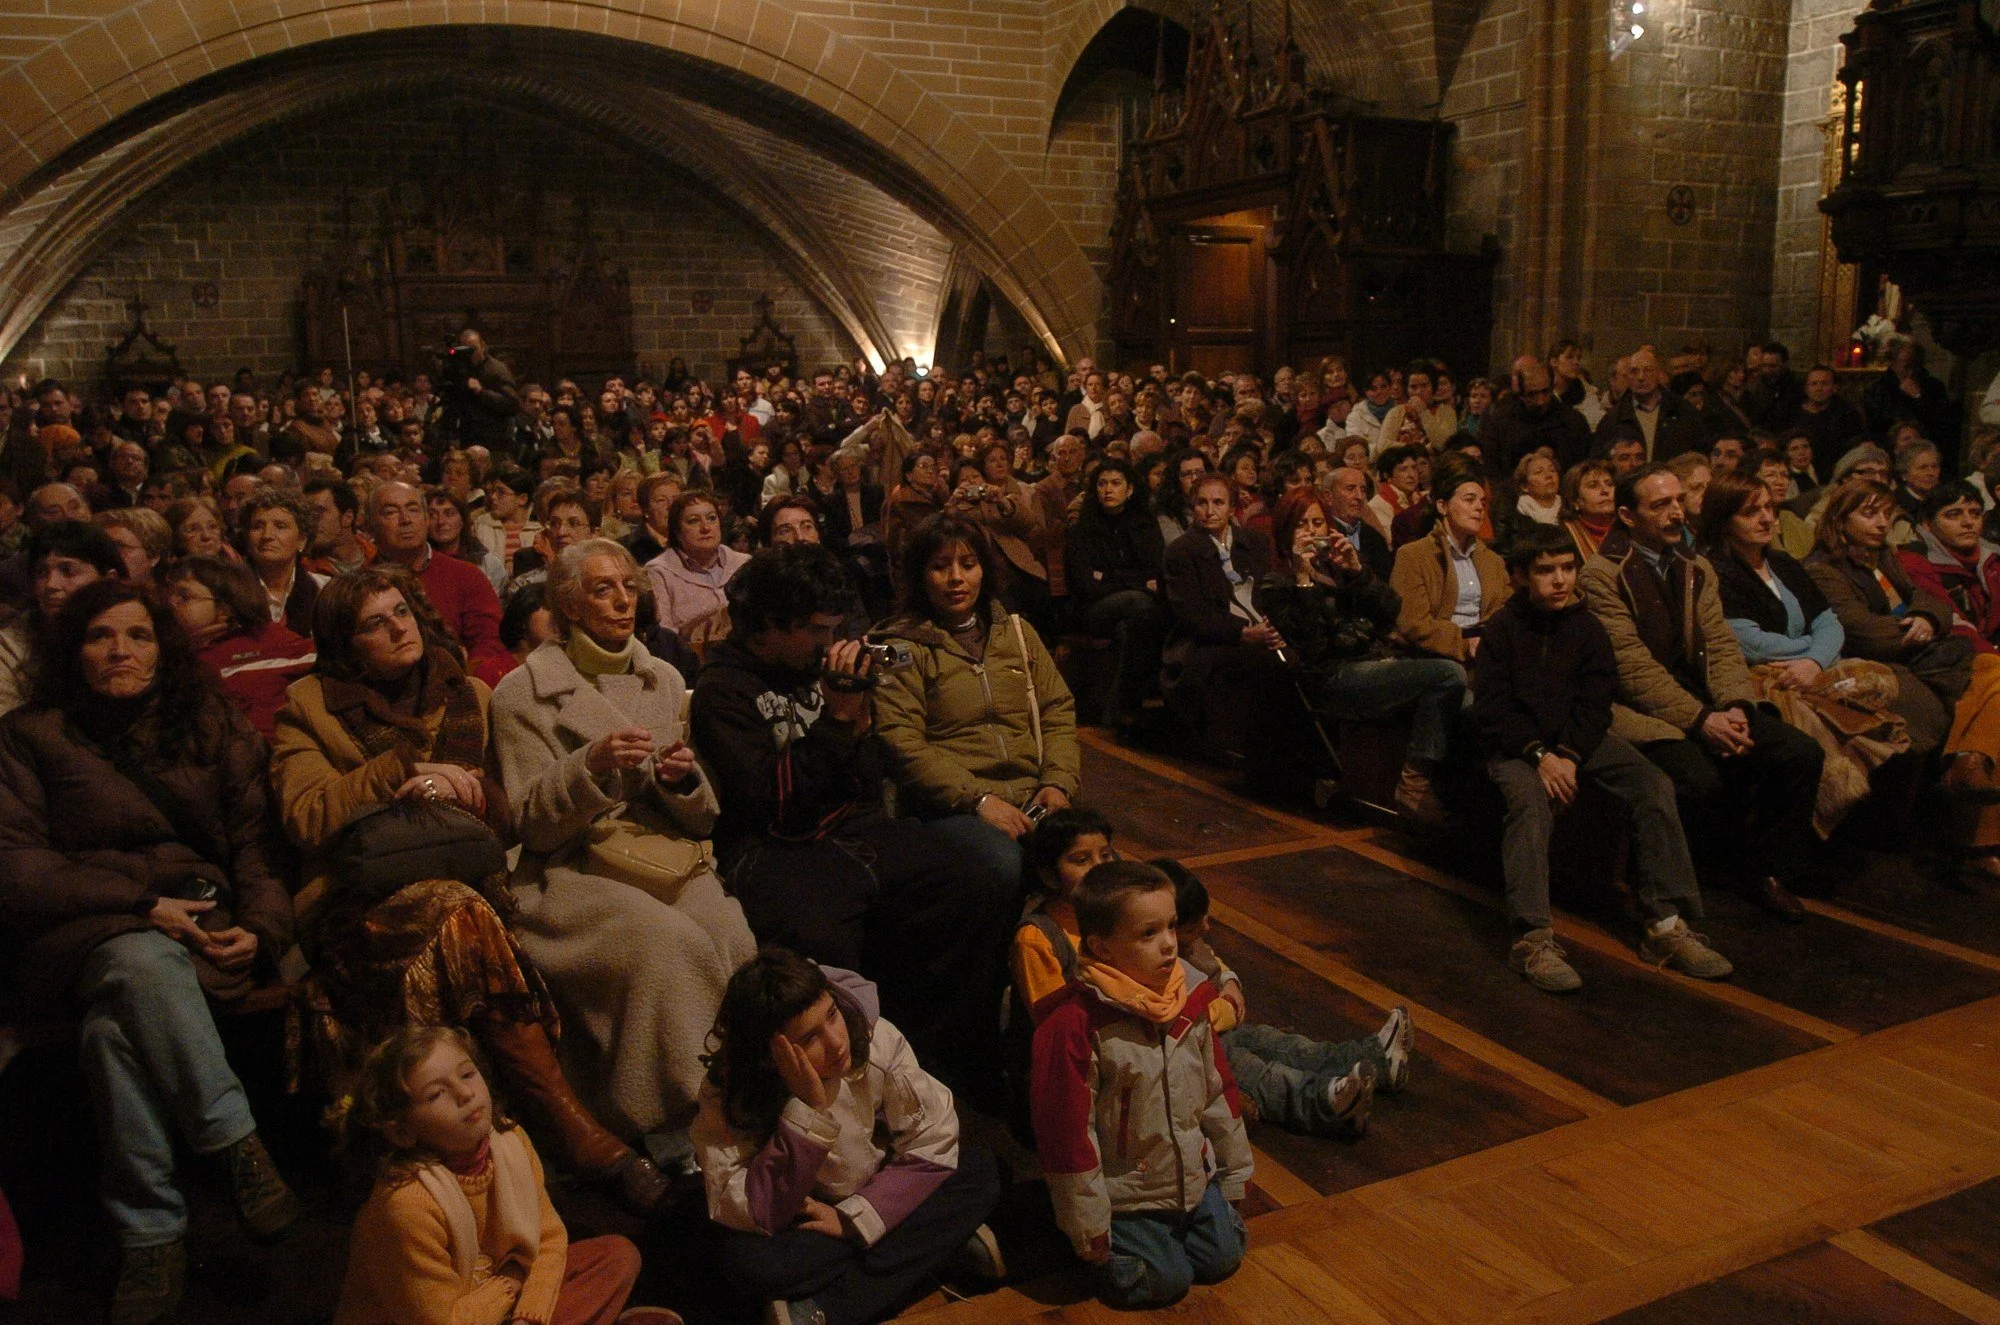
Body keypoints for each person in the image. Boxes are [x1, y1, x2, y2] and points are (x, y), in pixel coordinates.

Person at [269, 566, 671, 1213]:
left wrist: (469, 789)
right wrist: (404, 767)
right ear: (347, 642)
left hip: (469, 882)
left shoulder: (467, 692)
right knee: (463, 911)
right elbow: (307, 813)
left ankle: (528, 1138)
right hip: (361, 904)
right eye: (375, 622)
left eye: (401, 611)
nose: (398, 627)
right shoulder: (311, 705)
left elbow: (506, 813)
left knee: (466, 911)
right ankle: (574, 1131)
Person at [0, 578, 299, 1324]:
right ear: (73, 650)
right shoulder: (30, 734)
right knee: (137, 959)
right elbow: (16, 867)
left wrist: (260, 929)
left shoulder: (208, 723)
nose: (120, 651)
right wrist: (138, 902)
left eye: (137, 635)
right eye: (101, 636)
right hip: (83, 929)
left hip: (201, 922)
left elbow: (256, 847)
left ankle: (152, 1233)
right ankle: (236, 1142)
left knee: (115, 1029)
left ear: (164, 646)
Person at [689, 545, 1016, 1090]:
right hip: (773, 847)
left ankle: (942, 1062)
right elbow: (774, 807)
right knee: (818, 931)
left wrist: (860, 719)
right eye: (819, 629)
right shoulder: (723, 691)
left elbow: (867, 785)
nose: (831, 643)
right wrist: (838, 721)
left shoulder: (820, 671)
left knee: (979, 880)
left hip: (854, 830)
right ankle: (853, 1081)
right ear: (769, 626)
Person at [493, 539, 758, 1142]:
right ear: (569, 605)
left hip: (655, 850)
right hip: (568, 867)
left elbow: (699, 815)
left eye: (629, 587)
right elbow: (531, 824)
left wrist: (681, 778)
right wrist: (590, 766)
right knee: (665, 944)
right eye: (601, 589)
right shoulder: (521, 694)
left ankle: (746, 1091)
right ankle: (672, 1117)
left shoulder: (660, 677)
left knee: (727, 931)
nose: (621, 602)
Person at [1473, 523, 1730, 990]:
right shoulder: (1502, 630)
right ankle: (1531, 938)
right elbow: (1493, 708)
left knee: (1652, 784)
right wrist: (1540, 756)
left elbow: (1596, 701)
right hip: (1517, 745)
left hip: (1576, 740)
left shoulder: (1587, 626)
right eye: (1545, 570)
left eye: (1568, 568)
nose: (1560, 580)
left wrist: (1569, 755)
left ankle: (1666, 924)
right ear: (1519, 576)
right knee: (1530, 802)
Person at [693, 950, 1005, 1325]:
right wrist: (807, 1111)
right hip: (804, 1218)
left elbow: (932, 1138)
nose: (837, 1041)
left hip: (880, 1190)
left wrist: (854, 1220)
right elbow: (746, 1205)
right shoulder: (730, 1093)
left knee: (984, 1171)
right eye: (809, 1038)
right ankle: (939, 1246)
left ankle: (828, 1308)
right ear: (768, 1055)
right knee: (746, 1265)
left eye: (831, 1015)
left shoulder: (872, 1038)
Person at [1580, 463, 1825, 920]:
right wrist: (1700, 720)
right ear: (1628, 516)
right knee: (1699, 778)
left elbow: (1721, 648)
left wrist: (1734, 706)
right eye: (1660, 505)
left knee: (1799, 753)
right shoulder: (1602, 575)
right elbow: (1632, 671)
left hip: (1704, 702)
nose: (1676, 513)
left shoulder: (1696, 569)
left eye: (1678, 501)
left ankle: (1766, 869)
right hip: (1640, 710)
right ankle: (1686, 875)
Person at [329, 1026, 674, 1325]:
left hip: (499, 1301)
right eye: (436, 1094)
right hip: (453, 1316)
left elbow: (549, 1240)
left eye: (467, 1074)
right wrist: (512, 1282)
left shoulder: (511, 1141)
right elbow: (444, 1320)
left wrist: (527, 1314)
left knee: (616, 1256)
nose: (465, 1094)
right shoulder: (405, 1205)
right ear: (403, 1132)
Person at [1030, 861, 1251, 1310]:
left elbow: (1216, 1089)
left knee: (1223, 1258)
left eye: (1170, 926)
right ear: (1101, 946)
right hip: (1126, 1192)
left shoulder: (1189, 997)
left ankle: (1175, 1233)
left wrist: (1233, 1169)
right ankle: (1093, 1246)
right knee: (1165, 1282)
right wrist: (1088, 1225)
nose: (1169, 943)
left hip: (1190, 1174)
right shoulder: (1075, 1026)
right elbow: (1068, 1137)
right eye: (1147, 934)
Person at [871, 515, 1079, 882]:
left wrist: (1057, 783)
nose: (956, 578)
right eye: (939, 567)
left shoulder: (1015, 631)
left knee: (1092, 859)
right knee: (1003, 863)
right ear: (919, 575)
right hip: (951, 806)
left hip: (1032, 792)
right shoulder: (901, 645)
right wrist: (979, 799)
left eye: (968, 565)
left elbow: (1056, 709)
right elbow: (900, 739)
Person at [1254, 488, 1467, 819]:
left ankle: (1458, 795)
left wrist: (1358, 572)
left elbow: (1392, 609)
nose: (1312, 532)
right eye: (1301, 525)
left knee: (1465, 699)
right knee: (1448, 674)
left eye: (1317, 522)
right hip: (1332, 677)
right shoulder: (1275, 584)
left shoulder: (1339, 568)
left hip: (1376, 662)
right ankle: (1412, 786)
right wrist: (1303, 579)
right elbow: (1314, 648)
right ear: (1285, 532)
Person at [1164, 859, 1408, 1132]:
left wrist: (1230, 981)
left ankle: (1377, 1058)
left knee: (1286, 1045)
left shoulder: (1189, 945)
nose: (1205, 929)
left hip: (1220, 1033)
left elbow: (1213, 963)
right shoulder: (1160, 962)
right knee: (1260, 1075)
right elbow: (1191, 1017)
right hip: (1197, 1050)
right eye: (1193, 928)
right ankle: (1327, 1102)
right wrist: (1229, 1006)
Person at [1805, 477, 1967, 747]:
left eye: (1886, 514)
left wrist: (1927, 618)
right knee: (1977, 690)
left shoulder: (1880, 555)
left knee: (1988, 678)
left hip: (1918, 651)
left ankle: (1969, 767)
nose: (1882, 523)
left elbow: (1926, 598)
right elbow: (1863, 631)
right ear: (1840, 518)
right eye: (1869, 514)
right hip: (1880, 659)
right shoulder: (1823, 568)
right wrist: (1919, 627)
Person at [367, 481, 512, 685]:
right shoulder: (357, 587)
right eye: (391, 512)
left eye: (413, 510)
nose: (406, 520)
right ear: (370, 525)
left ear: (426, 519)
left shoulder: (467, 576)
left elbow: (489, 643)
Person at [160, 556, 315, 742]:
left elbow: (325, 657)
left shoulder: (262, 639)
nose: (170, 603)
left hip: (270, 752)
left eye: (184, 597)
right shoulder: (169, 653)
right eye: (168, 595)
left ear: (224, 607)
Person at [1066, 457, 1167, 726]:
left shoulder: (1143, 525)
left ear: (1130, 490)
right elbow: (1087, 584)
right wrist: (1135, 582)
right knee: (1140, 602)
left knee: (1131, 628)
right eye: (1102, 484)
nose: (1108, 489)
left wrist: (1110, 576)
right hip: (1093, 609)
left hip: (1132, 610)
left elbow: (1156, 570)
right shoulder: (1084, 530)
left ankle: (1120, 708)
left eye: (1115, 483)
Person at [0, 520, 124, 715]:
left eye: (68, 571)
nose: (51, 585)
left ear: (109, 579)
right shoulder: (12, 644)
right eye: (41, 572)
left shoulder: (139, 628)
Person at [1389, 459, 1508, 662]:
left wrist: (1487, 641)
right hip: (1436, 658)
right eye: (1470, 500)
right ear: (1443, 506)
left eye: (1482, 502)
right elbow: (1413, 623)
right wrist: (1464, 643)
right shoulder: (1414, 555)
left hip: (1487, 652)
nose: (1479, 508)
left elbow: (1504, 610)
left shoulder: (1493, 561)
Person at [1902, 479, 2000, 653]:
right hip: (1960, 655)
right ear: (1927, 524)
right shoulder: (1916, 562)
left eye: (1975, 513)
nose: (1968, 522)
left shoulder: (1992, 557)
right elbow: (1954, 626)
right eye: (1953, 515)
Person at [643, 490, 749, 633]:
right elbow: (664, 636)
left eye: (711, 518)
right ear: (677, 532)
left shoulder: (744, 563)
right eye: (693, 521)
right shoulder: (659, 571)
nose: (705, 528)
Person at [240, 486, 326, 635]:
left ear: (302, 540)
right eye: (257, 526)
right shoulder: (229, 593)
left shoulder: (324, 590)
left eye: (280, 526)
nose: (267, 535)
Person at [97, 506, 172, 586]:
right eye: (102, 546)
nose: (105, 555)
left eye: (119, 547)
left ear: (153, 556)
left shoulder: (173, 596)